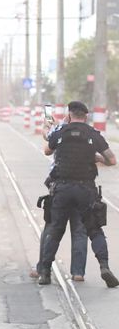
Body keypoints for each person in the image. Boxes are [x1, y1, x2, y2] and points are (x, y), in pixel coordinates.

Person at [34, 101, 116, 285]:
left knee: (55, 231)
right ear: (86, 116)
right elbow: (112, 160)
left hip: (62, 189)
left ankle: (45, 272)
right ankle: (103, 267)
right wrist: (96, 157)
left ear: (69, 115)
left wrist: (48, 131)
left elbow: (47, 150)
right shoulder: (93, 135)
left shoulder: (60, 132)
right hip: (85, 190)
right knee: (93, 230)